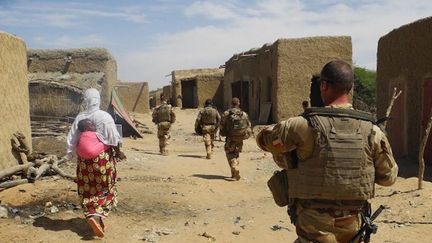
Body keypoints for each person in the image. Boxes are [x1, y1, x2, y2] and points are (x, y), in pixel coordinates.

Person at [256, 60, 398, 242]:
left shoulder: (302, 126)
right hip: (353, 226)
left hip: (312, 226)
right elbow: (388, 178)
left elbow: (266, 141)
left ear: (323, 85)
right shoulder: (372, 131)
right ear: (350, 88)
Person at [66, 88, 124, 238]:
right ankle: (98, 215)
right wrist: (118, 152)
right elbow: (114, 139)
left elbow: (71, 138)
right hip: (102, 159)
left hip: (85, 162)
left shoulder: (80, 117)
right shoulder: (104, 116)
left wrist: (71, 153)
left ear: (86, 100)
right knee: (106, 187)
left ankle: (93, 215)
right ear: (97, 99)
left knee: (87, 187)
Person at [220, 97, 252, 180]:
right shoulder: (244, 114)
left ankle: (234, 167)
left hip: (231, 137)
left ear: (231, 104)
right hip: (240, 137)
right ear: (239, 103)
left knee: (229, 153)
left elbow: (222, 124)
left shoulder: (227, 113)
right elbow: (249, 125)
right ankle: (234, 175)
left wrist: (222, 133)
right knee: (236, 153)